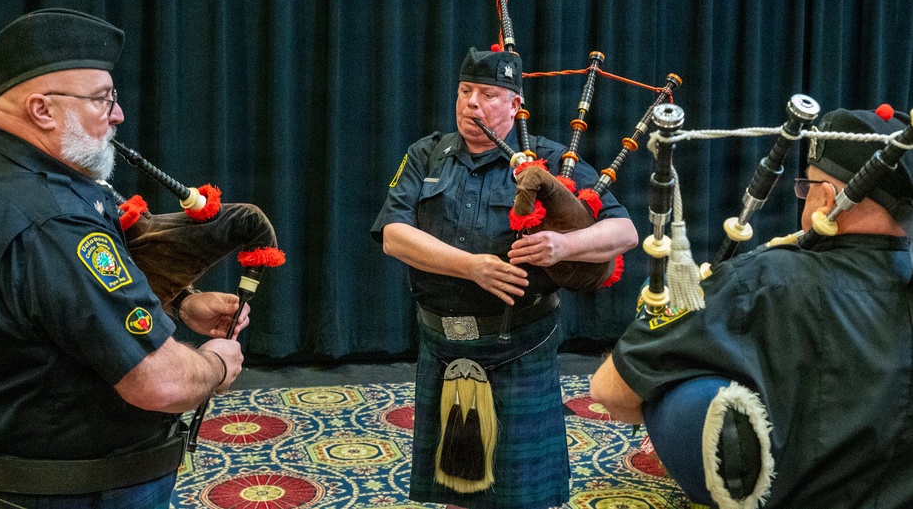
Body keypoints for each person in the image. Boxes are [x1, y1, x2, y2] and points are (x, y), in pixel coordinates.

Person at [0, 9, 247, 507]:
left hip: (8, 481)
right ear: (42, 110)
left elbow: (50, 299)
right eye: (102, 99)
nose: (118, 115)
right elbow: (158, 382)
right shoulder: (52, 218)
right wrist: (216, 366)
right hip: (69, 493)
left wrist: (181, 303)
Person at [590, 106, 913, 508]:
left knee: (670, 359)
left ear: (827, 198)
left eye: (806, 187)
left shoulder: (766, 280)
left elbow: (609, 390)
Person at [372, 47, 638, 509]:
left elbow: (625, 233)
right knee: (454, 485)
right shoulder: (426, 154)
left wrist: (563, 246)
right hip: (441, 343)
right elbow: (394, 236)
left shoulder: (549, 161)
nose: (471, 102)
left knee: (519, 492)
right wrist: (471, 266)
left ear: (515, 105)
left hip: (519, 345)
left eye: (487, 94)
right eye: (465, 91)